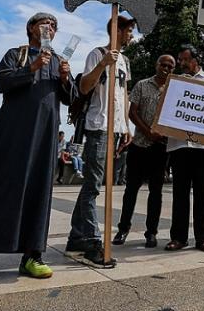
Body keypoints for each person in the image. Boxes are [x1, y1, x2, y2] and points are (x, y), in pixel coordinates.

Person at [0, 12, 75, 287]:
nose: (50, 27)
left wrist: (66, 78)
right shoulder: (17, 54)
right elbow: (1, 83)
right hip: (13, 134)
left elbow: (71, 99)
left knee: (39, 191)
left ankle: (32, 255)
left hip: (45, 138)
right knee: (2, 190)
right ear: (31, 28)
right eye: (44, 23)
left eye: (54, 25)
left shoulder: (59, 60)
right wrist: (33, 68)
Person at [66, 16, 134, 267]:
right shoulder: (97, 54)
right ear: (117, 31)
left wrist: (126, 125)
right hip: (98, 127)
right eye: (129, 31)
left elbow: (124, 94)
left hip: (115, 129)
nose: (131, 36)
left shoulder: (125, 61)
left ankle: (76, 238)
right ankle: (93, 241)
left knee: (93, 185)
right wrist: (104, 63)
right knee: (93, 185)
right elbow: (84, 87)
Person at [113, 54, 175, 248]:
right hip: (139, 145)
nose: (166, 68)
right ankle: (123, 229)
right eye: (163, 64)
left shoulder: (175, 90)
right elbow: (133, 112)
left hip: (161, 148)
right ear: (156, 65)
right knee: (131, 190)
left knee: (156, 192)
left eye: (170, 66)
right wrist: (148, 132)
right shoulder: (141, 85)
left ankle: (151, 233)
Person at [165, 45, 204, 253]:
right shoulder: (175, 83)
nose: (181, 63)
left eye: (184, 59)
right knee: (180, 193)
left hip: (203, 145)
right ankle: (178, 238)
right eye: (179, 60)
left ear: (195, 60)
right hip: (179, 144)